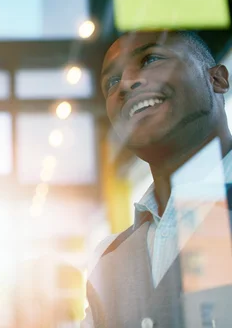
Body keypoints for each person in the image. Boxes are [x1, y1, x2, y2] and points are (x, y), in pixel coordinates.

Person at [83, 31, 232, 327]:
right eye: (111, 82)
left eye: (150, 59)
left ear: (217, 79)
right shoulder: (107, 259)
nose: (125, 83)